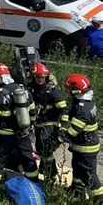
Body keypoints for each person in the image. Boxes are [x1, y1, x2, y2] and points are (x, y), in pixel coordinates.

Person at [0, 63, 38, 195]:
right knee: (28, 160)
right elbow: (33, 112)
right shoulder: (23, 89)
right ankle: (35, 189)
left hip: (4, 137)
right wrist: (29, 126)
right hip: (23, 134)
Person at [63, 74, 102, 203]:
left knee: (90, 174)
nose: (70, 94)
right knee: (78, 170)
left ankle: (99, 198)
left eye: (71, 91)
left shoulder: (82, 108)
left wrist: (61, 138)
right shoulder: (86, 102)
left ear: (77, 91)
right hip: (83, 146)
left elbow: (74, 130)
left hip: (86, 147)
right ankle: (77, 191)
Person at [28, 62, 68, 181]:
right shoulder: (31, 87)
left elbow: (64, 108)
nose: (40, 79)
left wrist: (64, 126)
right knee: (41, 148)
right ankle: (47, 170)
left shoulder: (52, 90)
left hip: (51, 123)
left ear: (46, 77)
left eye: (42, 77)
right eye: (37, 77)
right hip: (38, 123)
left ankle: (50, 174)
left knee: (46, 147)